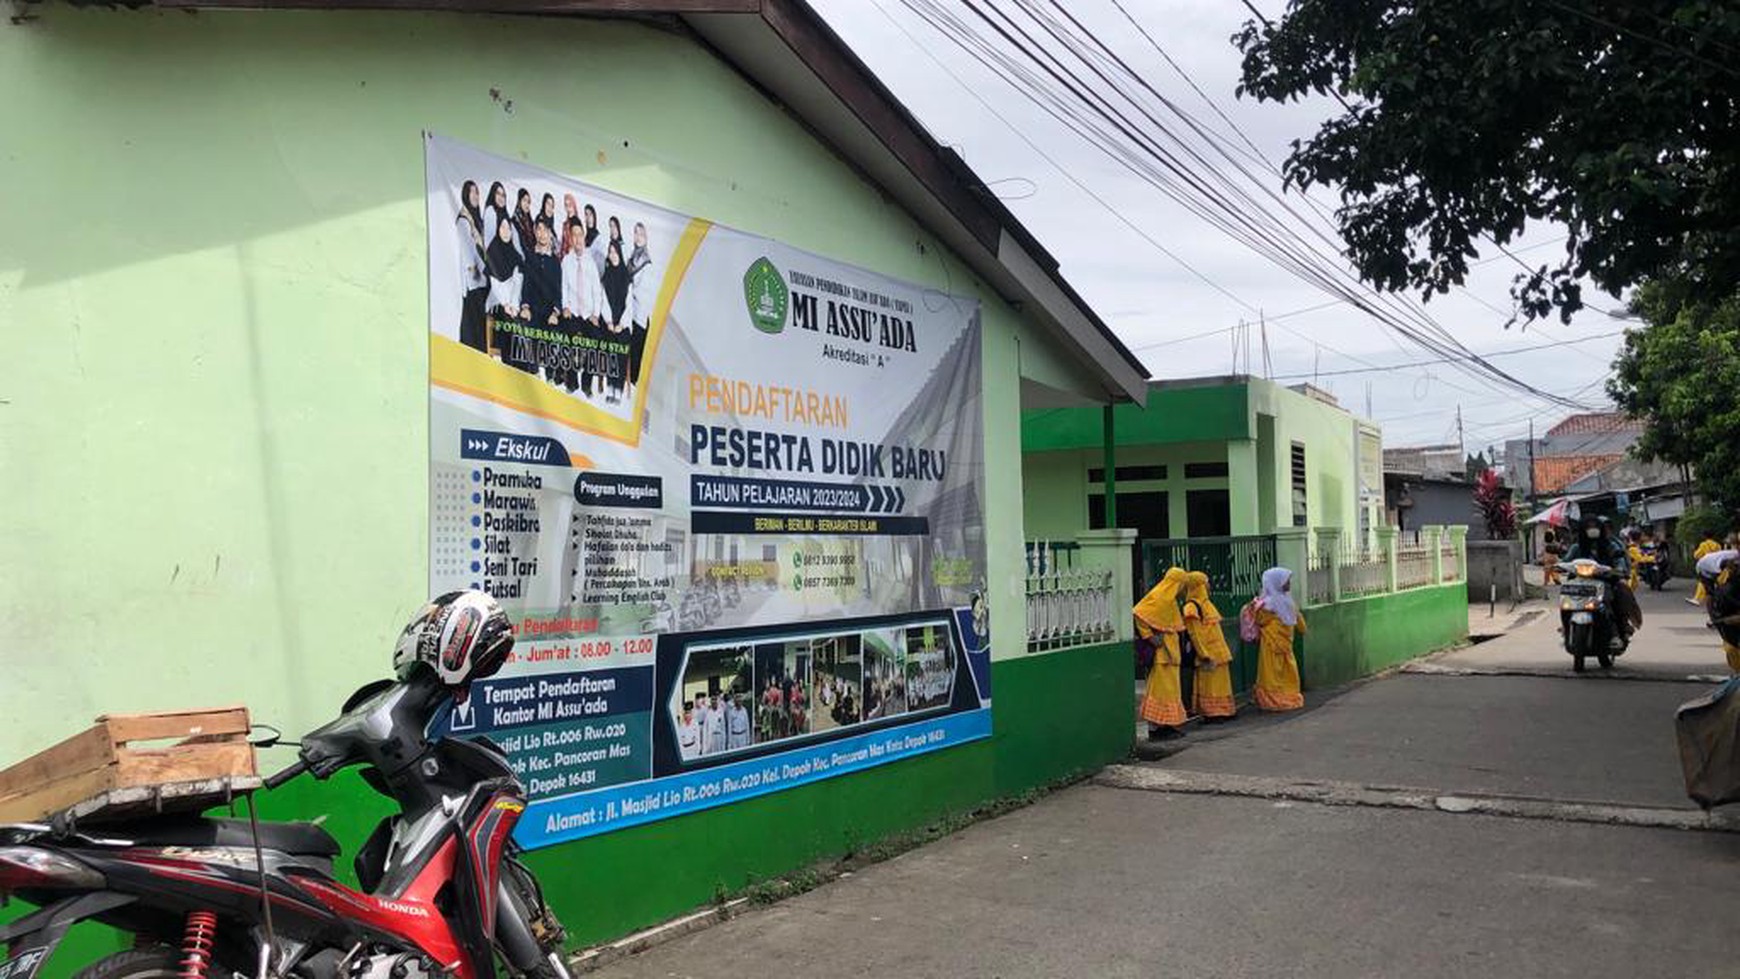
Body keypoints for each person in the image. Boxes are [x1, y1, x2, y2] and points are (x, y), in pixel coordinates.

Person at [1561, 514, 1641, 645]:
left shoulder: (1610, 546)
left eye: (1595, 526)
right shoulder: (1577, 547)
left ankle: (1616, 632)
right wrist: (1559, 566)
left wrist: (1618, 569)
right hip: (1579, 583)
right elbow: (1565, 561)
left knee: (1612, 598)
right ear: (1583, 529)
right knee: (1565, 600)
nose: (1592, 529)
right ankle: (1566, 627)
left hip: (1605, 582)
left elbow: (1619, 560)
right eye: (1589, 527)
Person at [1134, 567, 1188, 738]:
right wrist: (1149, 636)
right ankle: (1157, 728)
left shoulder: (1169, 600)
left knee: (1170, 691)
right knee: (1161, 691)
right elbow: (1139, 613)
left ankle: (1167, 725)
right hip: (1162, 656)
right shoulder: (1159, 597)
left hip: (1170, 654)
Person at [1182, 571, 1236, 721]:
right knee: (1209, 686)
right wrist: (1203, 654)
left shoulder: (1207, 604)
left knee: (1221, 684)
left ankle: (1224, 710)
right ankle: (1212, 713)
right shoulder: (1192, 607)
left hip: (1219, 652)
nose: (1209, 585)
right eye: (1206, 582)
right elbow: (1195, 634)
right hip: (1208, 653)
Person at [1252, 567, 1306, 712]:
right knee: (1284, 672)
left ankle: (1276, 699)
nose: (1289, 583)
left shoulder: (1267, 603)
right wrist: (1303, 629)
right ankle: (1283, 698)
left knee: (1274, 673)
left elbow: (1260, 620)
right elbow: (1297, 619)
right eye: (1286, 580)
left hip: (1274, 643)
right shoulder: (1280, 602)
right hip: (1279, 644)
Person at [516, 223, 562, 376]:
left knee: (553, 333)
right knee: (527, 328)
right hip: (533, 309)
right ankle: (532, 375)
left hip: (550, 312)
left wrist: (555, 312)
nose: (542, 234)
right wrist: (525, 307)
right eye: (539, 230)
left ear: (550, 234)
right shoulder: (529, 257)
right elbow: (526, 284)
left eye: (545, 230)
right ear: (535, 233)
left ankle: (550, 378)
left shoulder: (555, 262)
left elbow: (558, 291)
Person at [483, 217, 528, 355]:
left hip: (514, 304)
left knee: (524, 321)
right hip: (498, 301)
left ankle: (523, 365)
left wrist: (513, 306)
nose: (506, 231)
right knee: (505, 321)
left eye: (508, 228)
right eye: (502, 227)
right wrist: (506, 304)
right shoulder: (492, 251)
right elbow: (495, 285)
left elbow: (517, 284)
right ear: (497, 230)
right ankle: (506, 361)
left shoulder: (516, 255)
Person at [455, 180, 489, 352]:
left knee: (480, 326)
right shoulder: (464, 220)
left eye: (477, 192)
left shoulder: (478, 220)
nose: (475, 196)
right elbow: (469, 256)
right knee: (472, 325)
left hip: (483, 281)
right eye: (472, 192)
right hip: (473, 281)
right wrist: (484, 272)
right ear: (465, 195)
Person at [600, 240, 632, 402]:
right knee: (609, 351)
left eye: (615, 252)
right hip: (610, 324)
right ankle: (610, 388)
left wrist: (621, 324)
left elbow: (629, 305)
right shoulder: (606, 275)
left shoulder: (626, 276)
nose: (612, 255)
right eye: (610, 252)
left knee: (620, 351)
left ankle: (618, 390)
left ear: (619, 253)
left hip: (623, 325)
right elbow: (603, 300)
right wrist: (608, 322)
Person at [626, 222, 656, 390]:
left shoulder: (646, 262)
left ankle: (632, 385)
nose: (638, 237)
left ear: (646, 237)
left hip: (639, 317)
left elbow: (641, 292)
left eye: (641, 234)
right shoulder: (632, 257)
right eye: (635, 233)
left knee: (635, 356)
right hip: (629, 314)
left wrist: (627, 287)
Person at [1691, 533, 1724, 606]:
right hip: (1716, 565)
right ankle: (1716, 597)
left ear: (1705, 536)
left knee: (1703, 581)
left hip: (1706, 565)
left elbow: (1697, 555)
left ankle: (1697, 598)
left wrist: (1695, 552)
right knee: (1715, 581)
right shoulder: (1717, 545)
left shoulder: (1703, 544)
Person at [512, 188, 538, 257]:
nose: (527, 204)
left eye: (529, 202)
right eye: (524, 200)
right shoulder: (515, 221)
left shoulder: (529, 220)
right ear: (519, 201)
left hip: (533, 254)